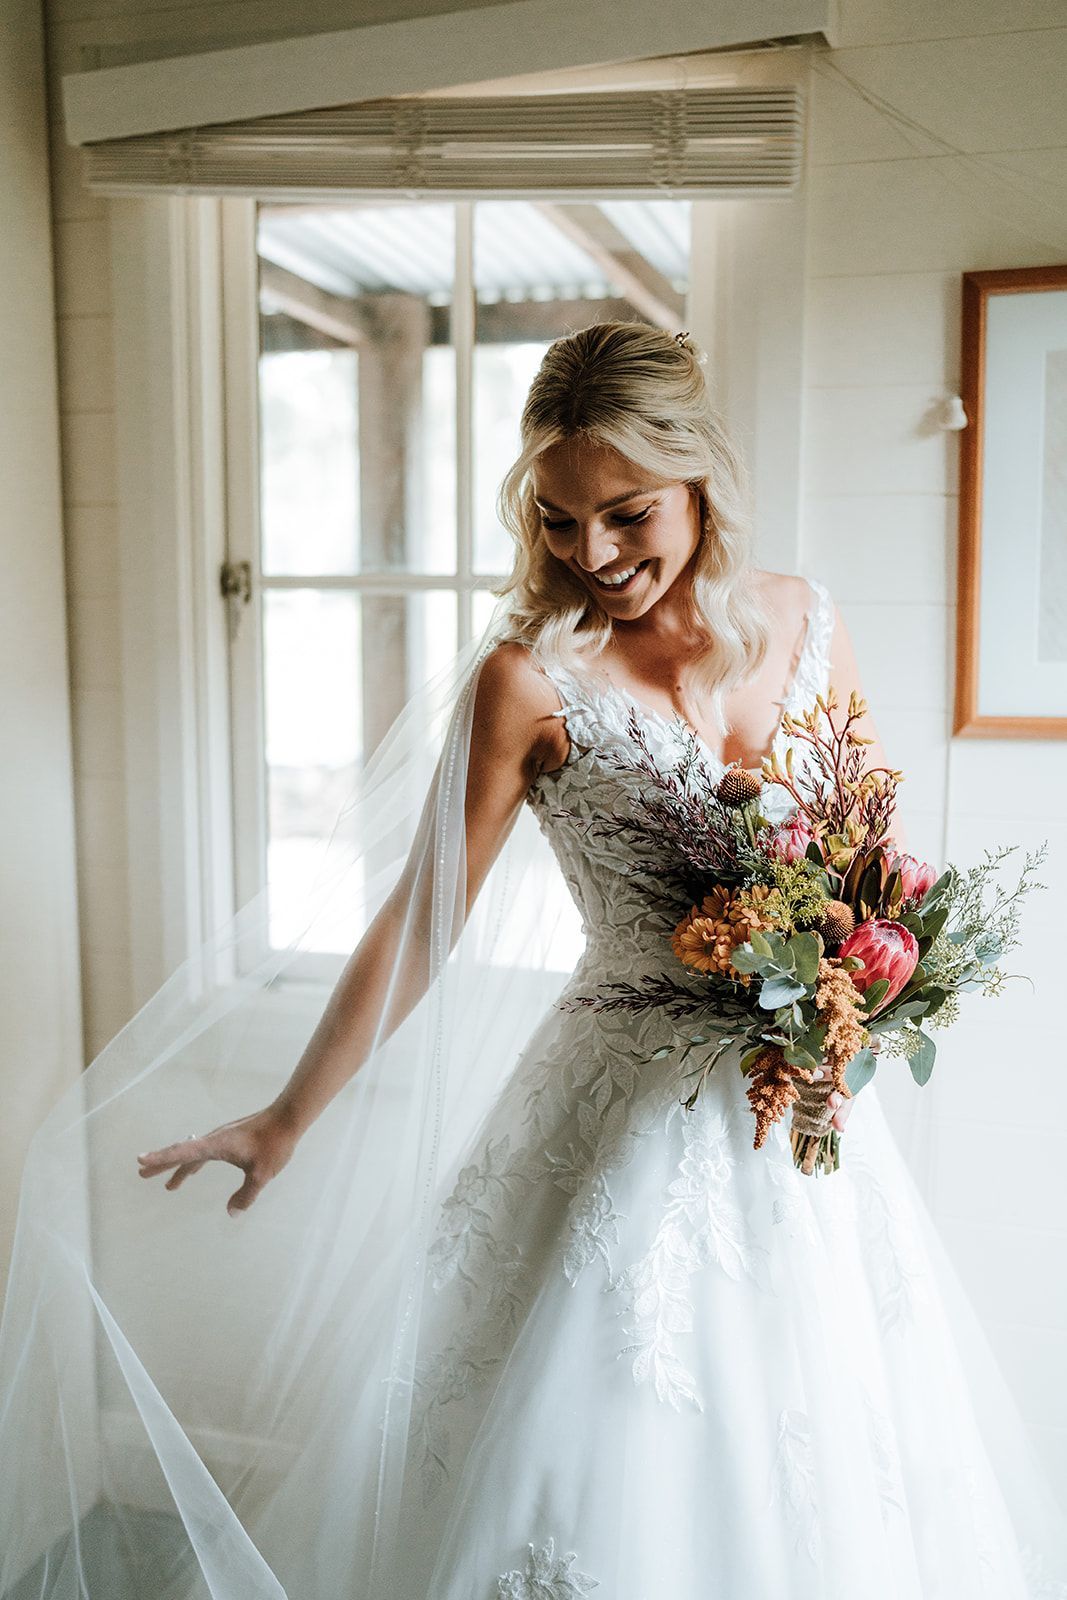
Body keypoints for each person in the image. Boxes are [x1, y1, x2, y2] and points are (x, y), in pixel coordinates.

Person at [3, 323, 1065, 1599]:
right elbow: (419, 917)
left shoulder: (803, 620)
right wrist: (285, 1117)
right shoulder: (530, 680)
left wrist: (869, 971)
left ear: (699, 482)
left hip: (805, 1124)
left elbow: (873, 859)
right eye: (559, 523)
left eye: (625, 514)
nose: (596, 556)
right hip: (620, 1111)